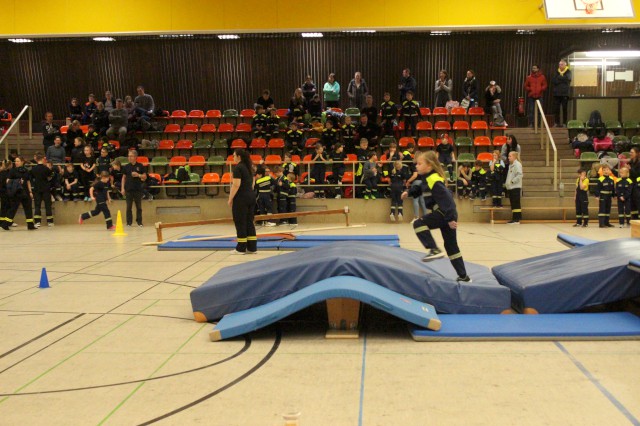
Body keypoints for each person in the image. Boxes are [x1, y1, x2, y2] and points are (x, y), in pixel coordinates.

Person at [401, 151, 471, 282]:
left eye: (420, 163)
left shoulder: (433, 179)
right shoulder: (427, 178)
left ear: (429, 166)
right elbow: (420, 189)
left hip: (444, 212)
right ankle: (464, 276)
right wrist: (408, 192)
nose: (416, 166)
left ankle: (433, 249)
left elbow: (448, 199)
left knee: (419, 223)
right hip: (447, 213)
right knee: (451, 247)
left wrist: (450, 219)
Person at [228, 149, 257, 254]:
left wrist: (230, 198)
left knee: (240, 222)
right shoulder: (250, 167)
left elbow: (236, 185)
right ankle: (252, 247)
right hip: (251, 196)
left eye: (234, 155)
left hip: (241, 198)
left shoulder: (238, 168)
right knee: (249, 222)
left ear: (239, 156)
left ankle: (241, 248)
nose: (233, 157)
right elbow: (253, 183)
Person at [5, 156, 36, 230]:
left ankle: (30, 225)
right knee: (13, 208)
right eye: (15, 161)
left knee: (28, 208)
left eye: (18, 161)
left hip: (25, 192)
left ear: (22, 162)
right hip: (17, 193)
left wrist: (30, 192)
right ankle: (5, 224)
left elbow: (28, 182)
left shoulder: (26, 171)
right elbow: (7, 181)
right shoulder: (12, 171)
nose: (16, 162)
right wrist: (17, 181)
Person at [121, 150, 147, 227]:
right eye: (128, 156)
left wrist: (138, 175)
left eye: (131, 156)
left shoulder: (140, 166)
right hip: (128, 190)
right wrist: (122, 188)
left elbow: (145, 177)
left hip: (138, 189)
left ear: (136, 157)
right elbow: (123, 178)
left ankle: (139, 222)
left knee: (139, 207)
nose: (129, 157)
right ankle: (129, 222)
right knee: (128, 207)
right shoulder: (126, 167)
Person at [31, 154, 55, 227]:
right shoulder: (46, 168)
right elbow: (51, 176)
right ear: (42, 159)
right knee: (48, 205)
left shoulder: (34, 169)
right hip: (46, 188)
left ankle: (37, 222)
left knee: (37, 205)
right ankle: (50, 222)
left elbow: (31, 177)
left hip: (37, 188)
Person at [551, 59, 572, 127]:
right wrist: (562, 78)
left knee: (564, 109)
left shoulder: (568, 72)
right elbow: (554, 81)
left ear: (565, 65)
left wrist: (559, 78)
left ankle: (564, 123)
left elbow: (568, 79)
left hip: (565, 94)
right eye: (559, 64)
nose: (560, 65)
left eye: (562, 64)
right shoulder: (556, 71)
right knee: (556, 109)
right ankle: (556, 123)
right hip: (556, 94)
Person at [505, 151, 523, 224]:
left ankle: (517, 219)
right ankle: (514, 218)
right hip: (511, 188)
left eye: (510, 156)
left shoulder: (517, 164)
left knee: (516, 203)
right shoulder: (511, 165)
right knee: (513, 203)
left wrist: (512, 181)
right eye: (508, 156)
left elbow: (520, 175)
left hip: (515, 187)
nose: (508, 157)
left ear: (514, 157)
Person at [0, 160, 13, 230]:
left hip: (3, 192)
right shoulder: (6, 173)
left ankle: (2, 221)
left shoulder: (3, 173)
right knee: (6, 207)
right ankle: (5, 222)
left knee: (3, 207)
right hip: (5, 192)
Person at [629, 147, 640, 219]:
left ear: (637, 153)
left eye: (632, 152)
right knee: (632, 202)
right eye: (630, 152)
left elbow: (637, 174)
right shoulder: (630, 162)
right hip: (631, 185)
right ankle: (634, 218)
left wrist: (630, 169)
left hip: (638, 185)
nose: (630, 154)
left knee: (638, 201)